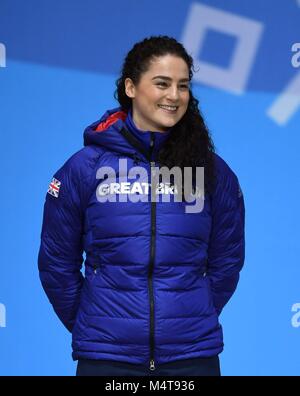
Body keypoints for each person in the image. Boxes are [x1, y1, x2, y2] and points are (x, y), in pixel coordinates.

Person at [38, 35, 245, 377]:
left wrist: (193, 312)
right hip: (106, 359)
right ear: (131, 88)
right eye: (162, 83)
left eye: (183, 85)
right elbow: (56, 261)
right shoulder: (83, 168)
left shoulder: (211, 171)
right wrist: (94, 321)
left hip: (192, 357)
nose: (174, 96)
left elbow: (228, 260)